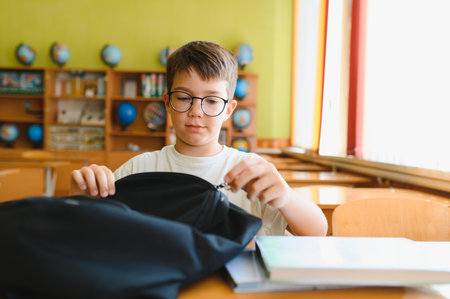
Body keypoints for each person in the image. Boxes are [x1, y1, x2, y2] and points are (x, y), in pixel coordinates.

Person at [71, 41, 327, 236]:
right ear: (167, 103)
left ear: (228, 110)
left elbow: (317, 231)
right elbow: (86, 228)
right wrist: (83, 196)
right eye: (183, 97)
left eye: (212, 100)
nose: (196, 111)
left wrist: (286, 197)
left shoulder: (250, 171)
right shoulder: (140, 168)